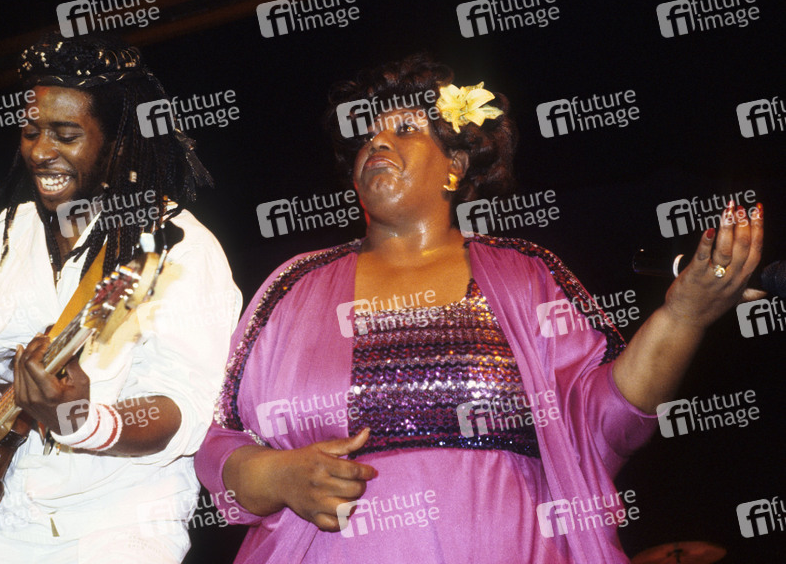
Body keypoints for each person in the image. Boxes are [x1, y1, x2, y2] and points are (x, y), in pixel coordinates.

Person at [194, 54, 763, 563]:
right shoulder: (294, 286)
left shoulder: (526, 274)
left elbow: (603, 421)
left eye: (405, 129)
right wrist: (277, 475)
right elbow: (219, 441)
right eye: (367, 137)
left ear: (456, 165)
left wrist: (683, 317)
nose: (376, 144)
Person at [0, 32, 241, 563]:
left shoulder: (180, 250)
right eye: (31, 132)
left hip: (120, 523)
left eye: (66, 135)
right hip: (2, 514)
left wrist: (80, 418)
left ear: (118, 142)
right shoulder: (9, 233)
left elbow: (181, 410)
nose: (41, 151)